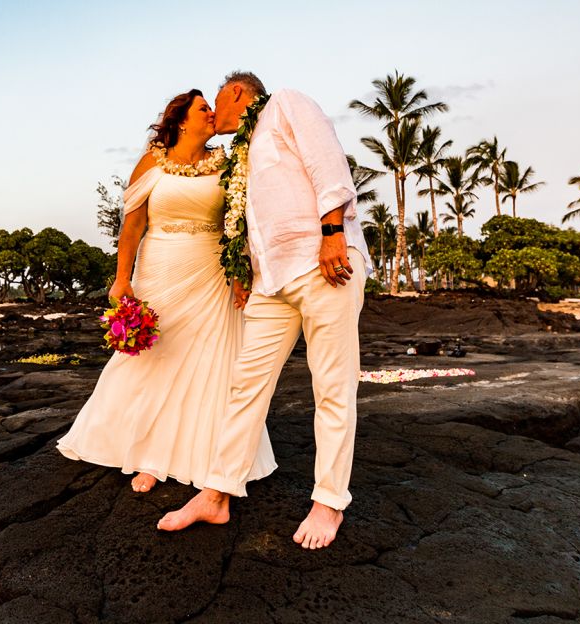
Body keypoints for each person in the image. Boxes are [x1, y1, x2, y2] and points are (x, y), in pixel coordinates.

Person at [157, 72, 372, 550]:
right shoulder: (241, 152)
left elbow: (328, 164)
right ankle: (216, 492)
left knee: (333, 388)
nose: (213, 112)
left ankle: (329, 502)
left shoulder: (286, 104)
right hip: (270, 282)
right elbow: (255, 218)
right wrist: (245, 274)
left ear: (237, 91)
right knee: (245, 386)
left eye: (216, 101)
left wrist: (333, 234)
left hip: (324, 263)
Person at [57, 89, 277, 493]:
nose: (212, 113)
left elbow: (242, 222)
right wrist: (121, 279)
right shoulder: (150, 163)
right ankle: (143, 453)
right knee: (155, 357)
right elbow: (133, 227)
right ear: (180, 120)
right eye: (203, 108)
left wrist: (241, 273)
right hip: (160, 267)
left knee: (210, 360)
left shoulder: (227, 164)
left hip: (212, 271)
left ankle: (204, 455)